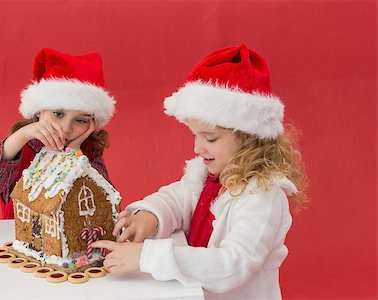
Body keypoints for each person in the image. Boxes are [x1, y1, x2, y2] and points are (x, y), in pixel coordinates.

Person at [92, 44, 307, 299]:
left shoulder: (263, 196)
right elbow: (175, 199)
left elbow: (233, 264)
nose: (197, 147)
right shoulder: (209, 177)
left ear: (250, 137)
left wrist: (146, 257)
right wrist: (149, 217)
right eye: (194, 135)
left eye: (210, 138)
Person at [0, 48, 116, 219]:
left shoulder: (88, 151)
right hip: (18, 237)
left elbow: (104, 198)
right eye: (58, 114)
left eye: (80, 120)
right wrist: (21, 136)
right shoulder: (22, 146)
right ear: (39, 110)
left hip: (69, 242)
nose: (66, 127)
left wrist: (74, 154)